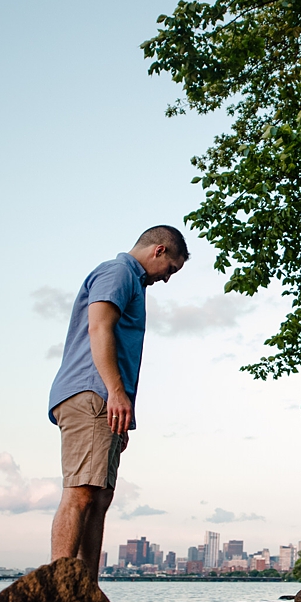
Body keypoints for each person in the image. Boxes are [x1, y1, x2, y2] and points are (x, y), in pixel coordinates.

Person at [48, 225, 189, 579]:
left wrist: (123, 413)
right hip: (92, 393)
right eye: (171, 269)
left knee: (99, 498)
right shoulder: (118, 272)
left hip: (106, 400)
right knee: (81, 493)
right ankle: (58, 592)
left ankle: (87, 592)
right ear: (158, 251)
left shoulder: (132, 283)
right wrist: (114, 392)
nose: (167, 279)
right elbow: (99, 328)